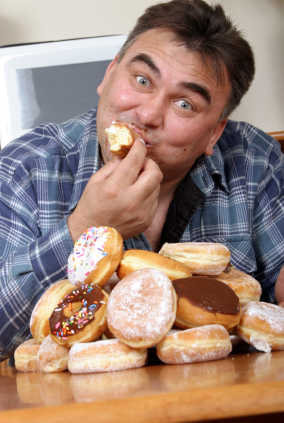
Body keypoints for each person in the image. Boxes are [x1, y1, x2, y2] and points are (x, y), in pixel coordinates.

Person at [0, 0, 284, 361]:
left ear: (214, 133)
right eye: (142, 80)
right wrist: (87, 226)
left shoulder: (254, 159)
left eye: (185, 104)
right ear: (109, 75)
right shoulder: (24, 168)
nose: (148, 115)